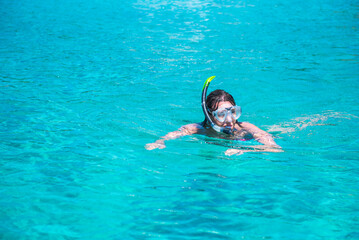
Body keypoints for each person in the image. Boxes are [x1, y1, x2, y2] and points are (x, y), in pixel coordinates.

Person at [145, 76, 281, 155]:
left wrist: (245, 150)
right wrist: (159, 142)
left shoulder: (244, 128)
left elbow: (275, 149)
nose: (230, 119)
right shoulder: (198, 129)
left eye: (233, 112)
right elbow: (173, 135)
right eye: (222, 114)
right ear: (209, 115)